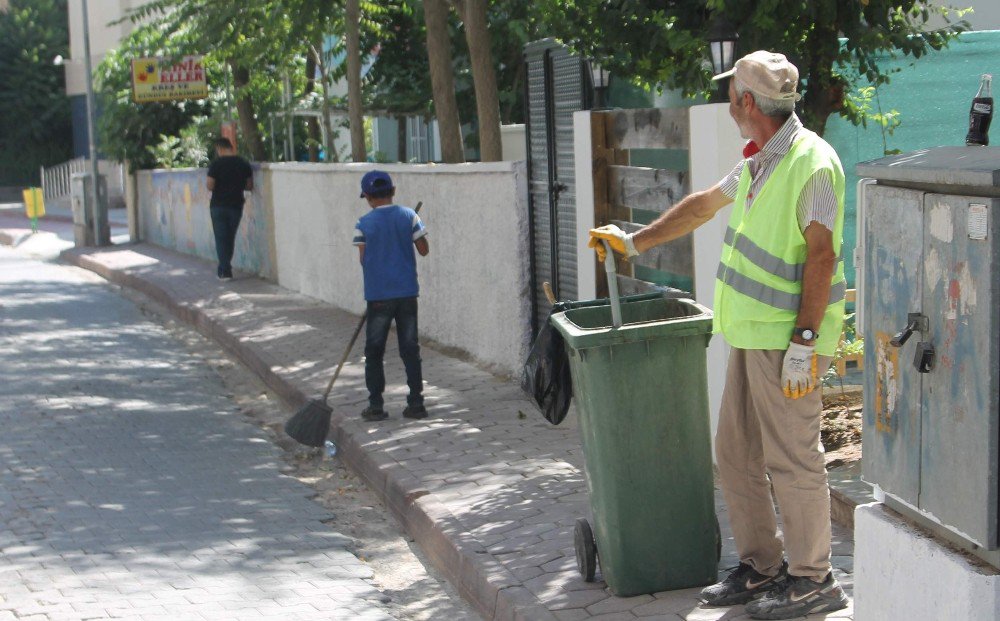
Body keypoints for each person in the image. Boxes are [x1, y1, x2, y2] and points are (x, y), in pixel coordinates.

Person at [589, 50, 849, 620]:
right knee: (735, 454)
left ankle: (813, 579)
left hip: (787, 342)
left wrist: (804, 344)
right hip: (752, 335)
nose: (727, 101)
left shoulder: (814, 162)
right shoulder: (760, 162)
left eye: (730, 93)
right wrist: (633, 241)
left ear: (747, 102)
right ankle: (761, 567)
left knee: (793, 460)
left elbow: (822, 259)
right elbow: (703, 206)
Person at [353, 170, 430, 422]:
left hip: (378, 296)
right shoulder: (409, 216)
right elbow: (424, 249)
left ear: (367, 196)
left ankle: (376, 406)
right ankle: (416, 404)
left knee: (374, 350)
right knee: (410, 348)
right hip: (407, 293)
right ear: (393, 191)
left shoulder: (363, 224)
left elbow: (363, 259)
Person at [206, 137, 253, 280]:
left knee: (221, 238)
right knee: (229, 238)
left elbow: (210, 185)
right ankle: (225, 267)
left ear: (219, 149)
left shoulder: (216, 164)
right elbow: (249, 186)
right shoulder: (243, 163)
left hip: (218, 206)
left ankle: (225, 270)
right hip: (236, 206)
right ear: (230, 147)